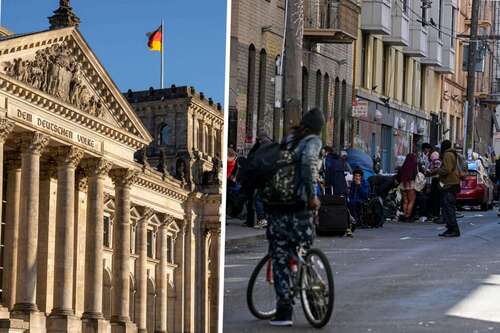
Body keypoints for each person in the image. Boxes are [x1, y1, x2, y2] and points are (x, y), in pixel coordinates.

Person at [267, 108, 323, 326]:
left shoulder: (288, 139)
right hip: (299, 207)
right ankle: (314, 298)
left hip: (277, 206)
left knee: (280, 256)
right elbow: (309, 163)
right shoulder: (312, 141)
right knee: (304, 250)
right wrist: (311, 196)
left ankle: (284, 310)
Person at [437, 140, 461, 237]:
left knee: (448, 208)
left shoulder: (447, 154)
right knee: (447, 208)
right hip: (451, 184)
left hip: (449, 184)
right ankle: (450, 228)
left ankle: (454, 229)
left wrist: (438, 170)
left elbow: (447, 169)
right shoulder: (452, 154)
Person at [397, 153, 418, 221]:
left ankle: (405, 214)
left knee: (405, 201)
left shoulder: (404, 166)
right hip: (410, 184)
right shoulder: (414, 165)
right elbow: (415, 175)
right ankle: (408, 216)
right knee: (411, 201)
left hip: (403, 184)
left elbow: (399, 175)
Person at [428, 151, 442, 222]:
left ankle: (435, 213)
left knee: (435, 197)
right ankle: (435, 213)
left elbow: (436, 170)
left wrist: (430, 171)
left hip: (436, 180)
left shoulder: (436, 161)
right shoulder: (436, 161)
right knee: (435, 197)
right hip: (435, 180)